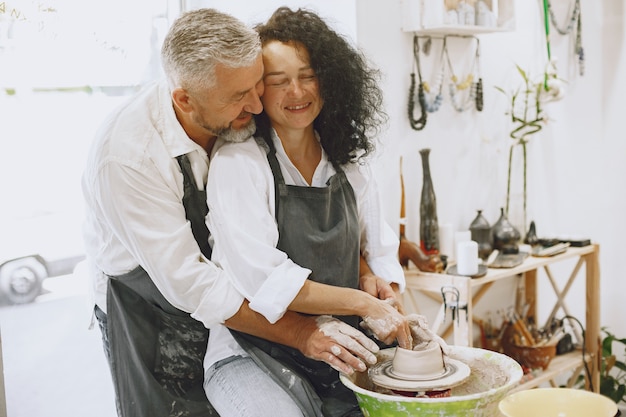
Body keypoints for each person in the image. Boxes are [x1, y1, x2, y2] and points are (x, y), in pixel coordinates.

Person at [81, 8, 403, 417]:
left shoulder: (240, 123)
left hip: (234, 314)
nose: (256, 105)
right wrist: (306, 330)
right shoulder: (130, 158)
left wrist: (366, 272)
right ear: (185, 99)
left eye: (256, 85)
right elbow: (197, 286)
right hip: (149, 309)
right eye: (243, 95)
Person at [203, 7, 412, 417]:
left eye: (307, 75)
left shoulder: (349, 163)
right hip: (252, 352)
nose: (296, 92)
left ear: (329, 79)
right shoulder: (239, 164)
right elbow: (268, 283)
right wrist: (363, 303)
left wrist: (380, 285)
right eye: (277, 81)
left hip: (341, 344)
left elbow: (379, 247)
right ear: (256, 92)